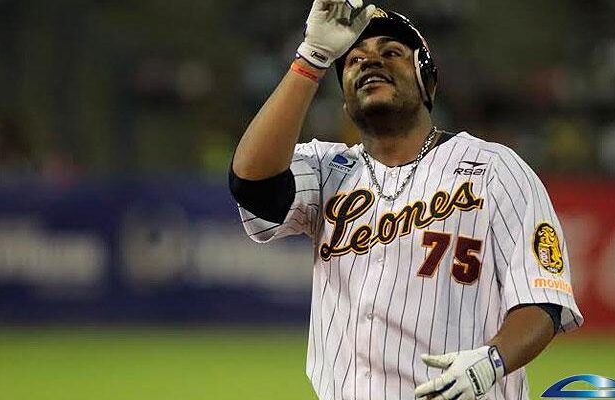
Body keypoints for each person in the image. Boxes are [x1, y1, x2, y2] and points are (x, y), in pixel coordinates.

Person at [229, 1, 583, 399]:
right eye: (354, 60)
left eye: (391, 52)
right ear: (345, 101)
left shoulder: (495, 170)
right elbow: (251, 185)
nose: (369, 61)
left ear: (426, 81)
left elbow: (543, 300)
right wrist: (311, 59)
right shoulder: (327, 168)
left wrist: (492, 361)